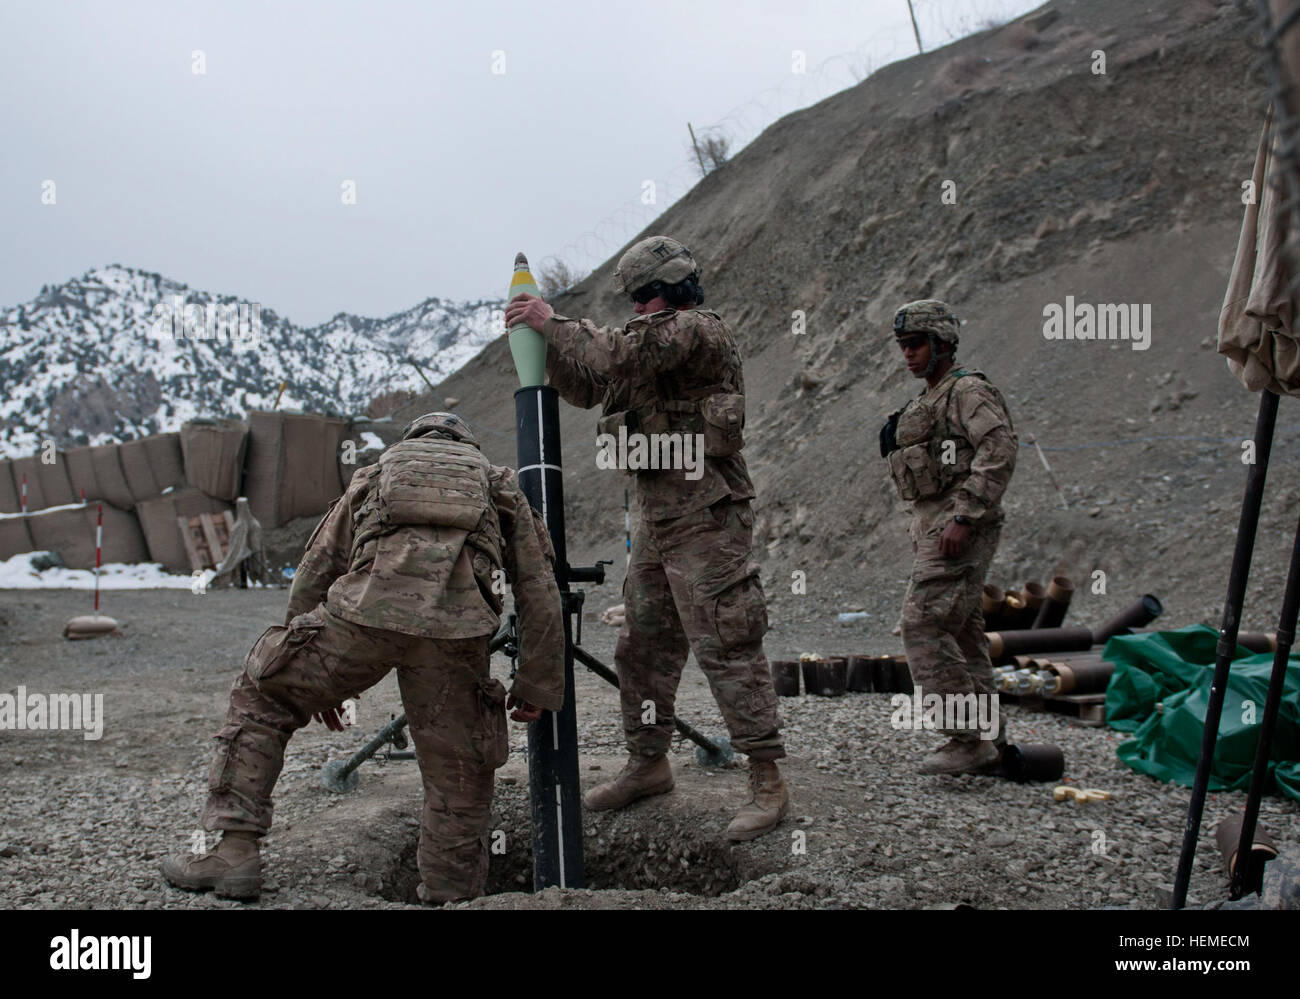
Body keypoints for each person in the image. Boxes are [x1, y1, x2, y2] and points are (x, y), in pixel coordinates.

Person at [161, 412, 564, 902]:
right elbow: (539, 587)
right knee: (458, 769)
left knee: (263, 694)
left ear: (413, 441)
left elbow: (317, 567)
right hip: (455, 637)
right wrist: (536, 682)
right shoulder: (499, 484)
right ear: (467, 445)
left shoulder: (373, 474)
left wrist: (309, 668)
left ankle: (235, 850)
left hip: (360, 621)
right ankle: (451, 892)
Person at [504, 235, 788, 842]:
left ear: (675, 288)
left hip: (709, 512)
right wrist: (544, 343)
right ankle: (648, 762)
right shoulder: (643, 352)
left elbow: (616, 355)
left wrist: (552, 320)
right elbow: (587, 386)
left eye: (644, 295)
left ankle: (766, 778)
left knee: (726, 641)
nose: (637, 307)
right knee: (643, 648)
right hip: (656, 518)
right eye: (633, 299)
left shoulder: (695, 331)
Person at [880, 300, 1017, 775]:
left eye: (916, 344)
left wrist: (966, 516)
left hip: (958, 527)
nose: (908, 354)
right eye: (903, 346)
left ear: (942, 344)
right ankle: (989, 740)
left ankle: (964, 737)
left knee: (921, 624)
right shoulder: (931, 398)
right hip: (935, 525)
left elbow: (998, 450)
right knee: (962, 630)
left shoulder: (968, 391)